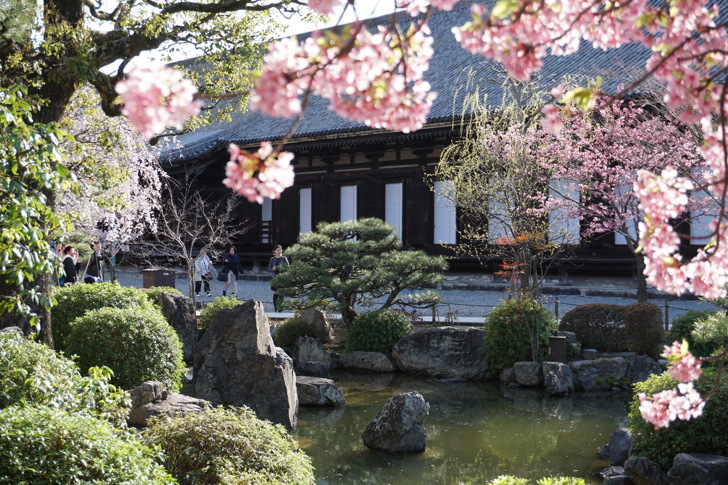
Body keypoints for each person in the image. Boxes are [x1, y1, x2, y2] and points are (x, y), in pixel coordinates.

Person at [267, 245, 289, 312]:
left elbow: (288, 268)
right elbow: (268, 269)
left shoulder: (284, 258)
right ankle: (276, 308)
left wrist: (281, 268)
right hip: (275, 278)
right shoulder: (272, 259)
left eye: (280, 250)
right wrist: (272, 269)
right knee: (276, 294)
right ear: (274, 251)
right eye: (277, 250)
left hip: (282, 277)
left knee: (281, 294)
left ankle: (280, 309)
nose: (279, 251)